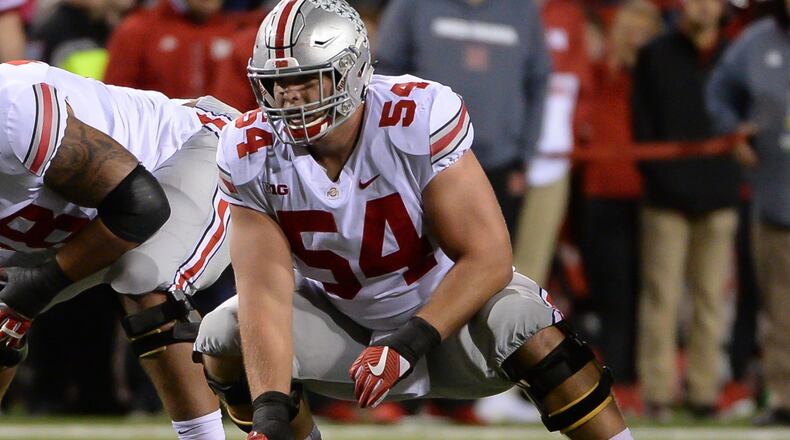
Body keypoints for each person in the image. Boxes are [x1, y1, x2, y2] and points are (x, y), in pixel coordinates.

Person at [193, 2, 632, 440]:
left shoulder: (415, 116)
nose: (289, 97)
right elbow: (263, 293)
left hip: (448, 320)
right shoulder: (248, 150)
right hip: (344, 329)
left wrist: (406, 345)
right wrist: (268, 416)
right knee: (222, 332)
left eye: (305, 80)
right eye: (277, 84)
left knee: (529, 322)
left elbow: (489, 258)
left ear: (351, 72)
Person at [0, 60, 237, 439]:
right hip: (102, 210)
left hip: (189, 148)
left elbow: (140, 206)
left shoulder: (13, 112)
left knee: (143, 274)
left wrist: (29, 297)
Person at [631, 0, 740, 419]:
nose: (701, 8)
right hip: (666, 196)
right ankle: (657, 391)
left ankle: (703, 392)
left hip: (720, 193)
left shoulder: (737, 54)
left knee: (711, 298)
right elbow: (641, 126)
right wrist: (664, 180)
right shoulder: (655, 54)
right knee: (662, 296)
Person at [373, 0, 551, 238]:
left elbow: (538, 82)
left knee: (493, 263)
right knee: (422, 264)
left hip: (500, 163)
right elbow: (384, 75)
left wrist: (524, 157)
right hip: (425, 162)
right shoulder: (412, 5)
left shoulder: (522, 9)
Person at [707, 0, 790, 425]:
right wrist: (732, 133)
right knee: (780, 305)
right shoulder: (756, 43)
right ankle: (783, 398)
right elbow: (718, 92)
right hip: (777, 196)